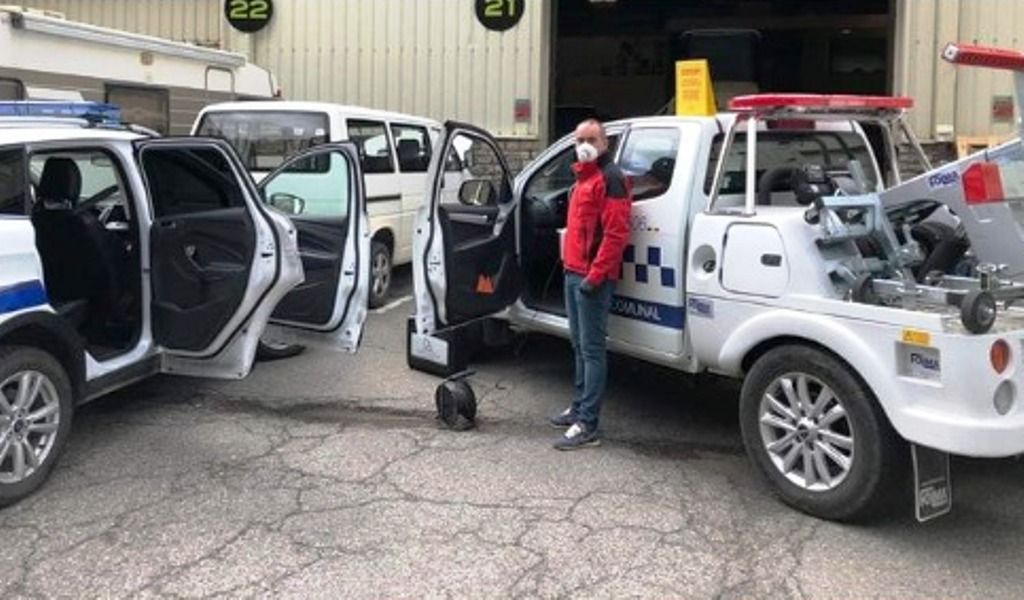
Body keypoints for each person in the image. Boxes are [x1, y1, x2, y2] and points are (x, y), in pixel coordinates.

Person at [550, 119, 632, 450]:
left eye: (591, 139)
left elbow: (615, 234)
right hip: (574, 272)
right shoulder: (583, 176)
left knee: (593, 350)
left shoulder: (611, 179)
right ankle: (579, 406)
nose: (584, 144)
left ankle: (588, 424)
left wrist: (594, 277)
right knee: (579, 346)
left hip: (591, 278)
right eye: (579, 138)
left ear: (604, 143)